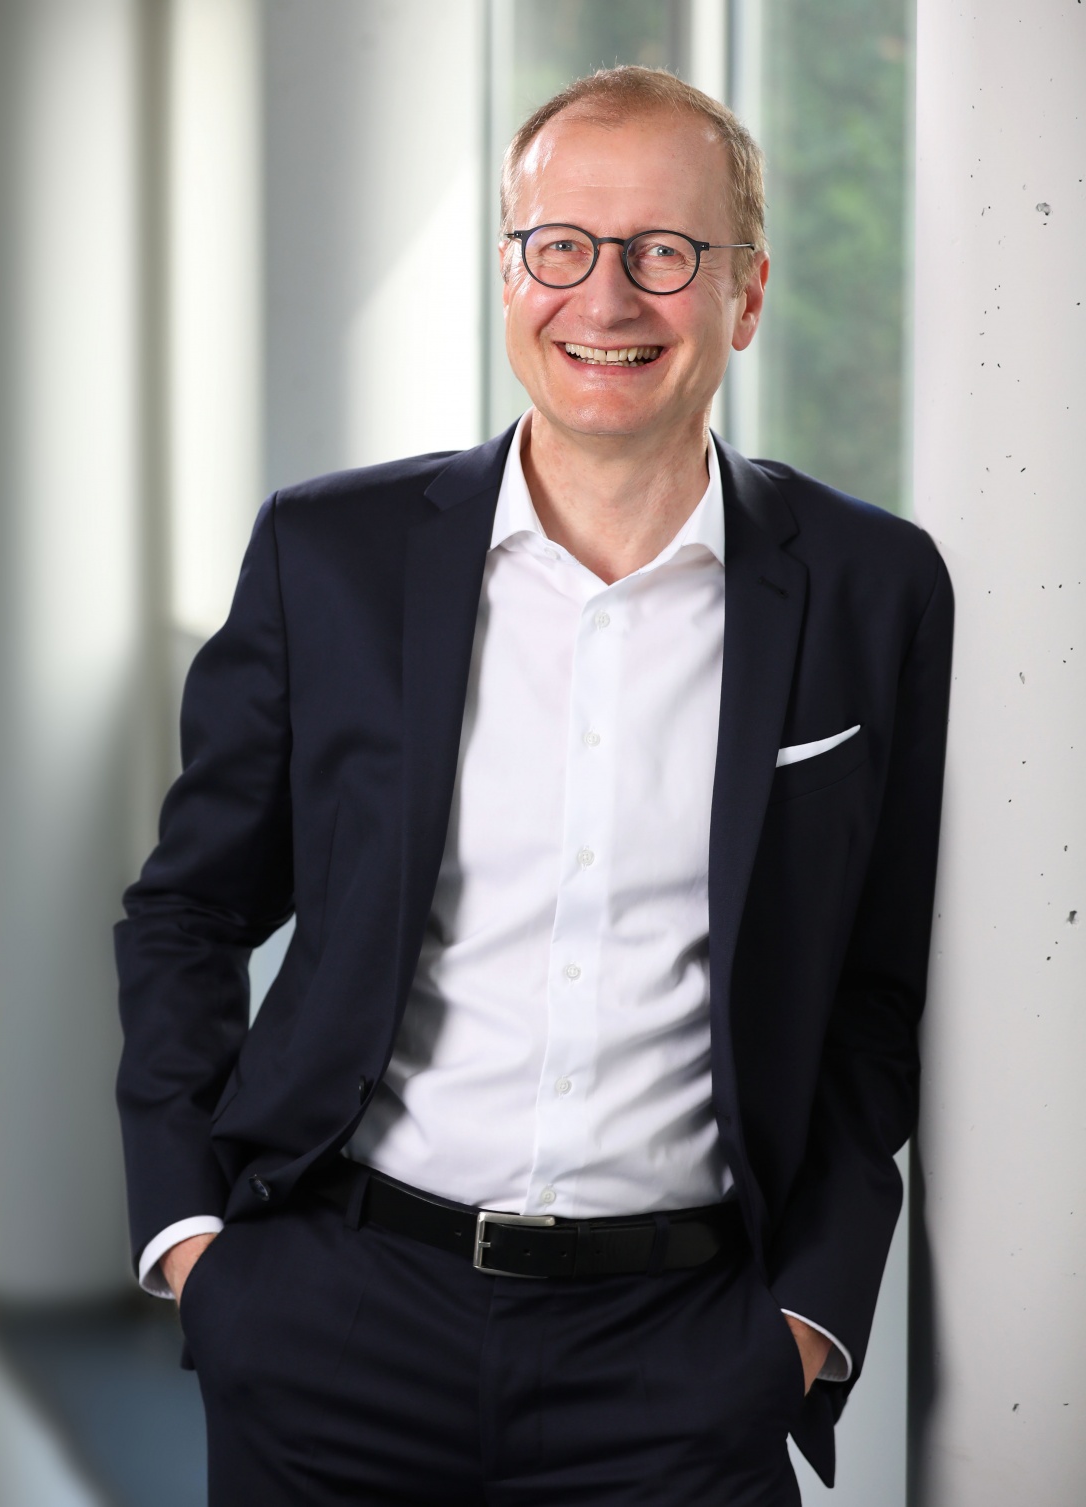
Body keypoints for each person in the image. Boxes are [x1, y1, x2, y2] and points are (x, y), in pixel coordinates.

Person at [116, 66, 952, 1506]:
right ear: (511, 277)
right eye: (560, 246)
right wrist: (195, 1242)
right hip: (336, 1322)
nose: (606, 298)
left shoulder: (874, 590)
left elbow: (874, 987)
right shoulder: (332, 555)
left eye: (665, 254)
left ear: (745, 296)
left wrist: (807, 1320)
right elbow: (189, 910)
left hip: (683, 1361)